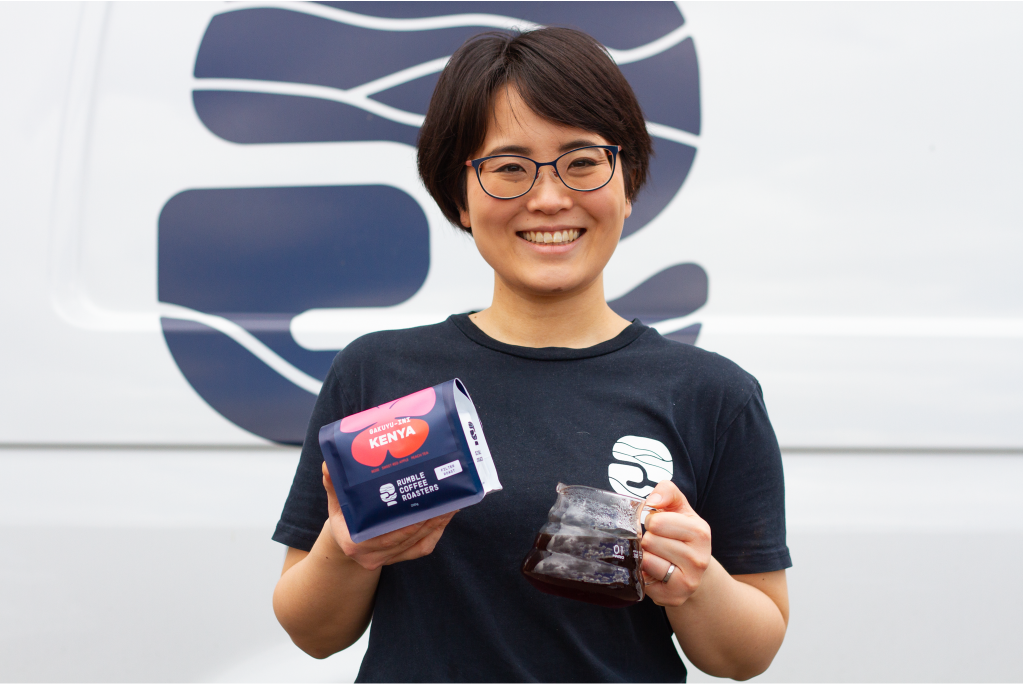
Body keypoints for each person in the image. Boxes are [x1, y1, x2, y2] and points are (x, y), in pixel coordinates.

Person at [271, 27, 791, 683]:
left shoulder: (712, 396)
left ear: (627, 184)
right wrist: (348, 553)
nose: (549, 198)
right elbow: (312, 631)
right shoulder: (379, 373)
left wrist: (696, 581)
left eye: (581, 161)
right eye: (509, 167)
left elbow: (749, 652)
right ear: (460, 197)